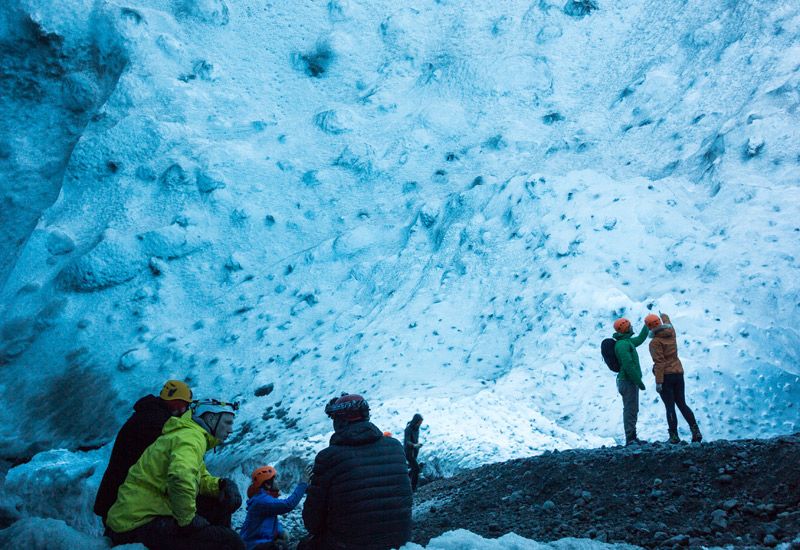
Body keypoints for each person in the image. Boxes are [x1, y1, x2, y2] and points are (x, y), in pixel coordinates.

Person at [105, 399, 245, 550]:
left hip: (139, 514)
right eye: (228, 422)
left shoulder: (187, 435)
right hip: (137, 524)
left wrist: (221, 485)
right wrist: (188, 521)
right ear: (211, 419)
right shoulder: (191, 438)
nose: (230, 430)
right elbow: (180, 477)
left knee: (216, 504)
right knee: (230, 542)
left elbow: (199, 476)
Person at [299, 393, 412, 550]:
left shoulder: (329, 457)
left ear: (340, 421)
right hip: (400, 540)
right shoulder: (395, 446)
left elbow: (312, 522)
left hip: (350, 544)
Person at [94, 380, 193, 524]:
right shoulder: (157, 423)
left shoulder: (148, 414)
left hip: (117, 492)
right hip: (122, 496)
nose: (185, 410)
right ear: (175, 402)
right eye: (185, 405)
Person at [646, 312, 703, 444]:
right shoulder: (671, 333)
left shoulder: (655, 342)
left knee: (670, 407)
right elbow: (668, 323)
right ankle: (696, 431)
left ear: (649, 327)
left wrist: (659, 382)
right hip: (678, 373)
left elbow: (659, 363)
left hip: (666, 376)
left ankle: (674, 436)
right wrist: (664, 315)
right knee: (682, 404)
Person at [240, 464, 312, 550]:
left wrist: (281, 531)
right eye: (275, 479)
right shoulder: (262, 500)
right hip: (254, 546)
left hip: (254, 544)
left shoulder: (261, 498)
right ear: (267, 484)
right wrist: (303, 483)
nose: (278, 481)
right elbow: (289, 504)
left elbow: (268, 522)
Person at [613, 317, 649, 446]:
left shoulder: (626, 342)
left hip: (628, 381)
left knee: (632, 409)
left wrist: (647, 325)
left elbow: (639, 339)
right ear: (626, 328)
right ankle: (630, 438)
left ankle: (632, 437)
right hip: (627, 381)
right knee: (630, 409)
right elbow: (628, 365)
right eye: (630, 325)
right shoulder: (622, 345)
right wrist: (638, 382)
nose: (632, 327)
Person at [403, 413, 424, 491]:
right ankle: (413, 488)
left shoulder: (417, 429)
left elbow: (415, 439)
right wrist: (414, 445)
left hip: (414, 452)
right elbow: (407, 441)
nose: (420, 424)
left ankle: (406, 485)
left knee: (413, 469)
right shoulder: (408, 429)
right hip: (408, 452)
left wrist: (417, 446)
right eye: (419, 422)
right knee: (416, 468)